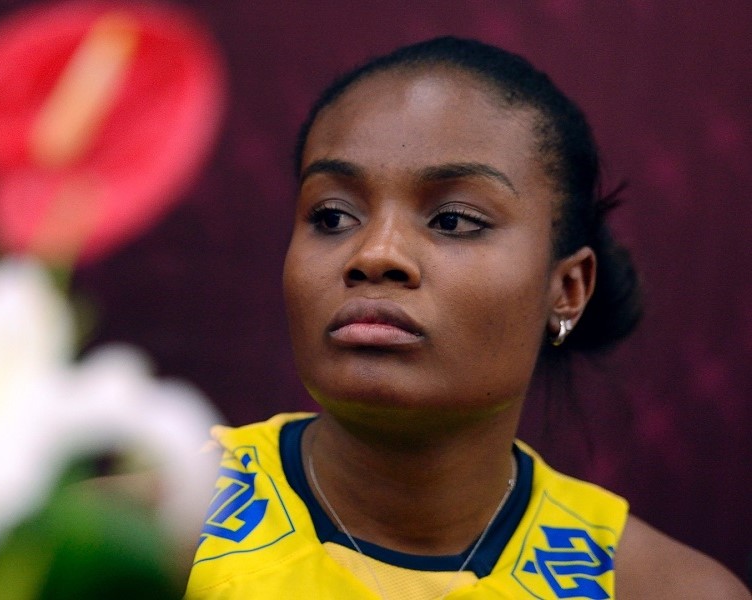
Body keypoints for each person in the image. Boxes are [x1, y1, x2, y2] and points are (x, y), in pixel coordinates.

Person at [185, 37, 750, 599]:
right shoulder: (141, 535)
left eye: (453, 221)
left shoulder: (664, 590)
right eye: (332, 216)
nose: (375, 253)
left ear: (568, 289)